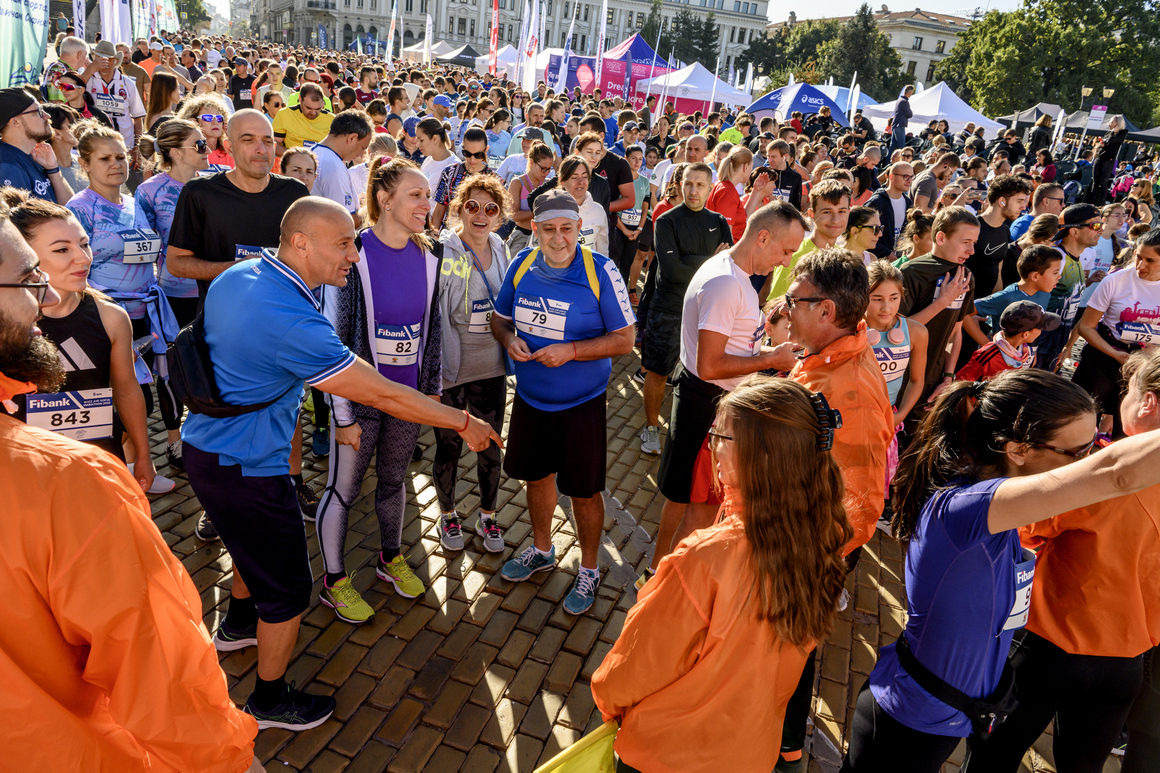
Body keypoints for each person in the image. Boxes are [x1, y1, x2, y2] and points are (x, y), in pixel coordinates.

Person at [182, 196, 499, 725]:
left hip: (211, 448)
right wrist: (464, 422)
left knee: (247, 546)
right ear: (300, 243)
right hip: (247, 466)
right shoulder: (293, 322)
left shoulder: (245, 273)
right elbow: (384, 394)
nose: (354, 255)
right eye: (343, 243)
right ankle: (268, 700)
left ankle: (237, 627)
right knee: (286, 591)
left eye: (353, 241)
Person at [0, 196, 264, 773]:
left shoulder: (109, 316)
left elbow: (127, 390)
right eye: (34, 270)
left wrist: (141, 455)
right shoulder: (48, 476)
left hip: (95, 478)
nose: (52, 282)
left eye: (82, 245)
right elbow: (152, 658)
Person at [842, 368, 1160, 772]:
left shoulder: (1000, 506)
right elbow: (1115, 474)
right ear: (1018, 450)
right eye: (1077, 452)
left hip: (944, 716)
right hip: (911, 717)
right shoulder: (967, 508)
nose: (1086, 461)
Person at [591, 378, 853, 773]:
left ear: (761, 457)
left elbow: (631, 671)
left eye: (720, 436)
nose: (710, 445)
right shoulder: (821, 537)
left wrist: (607, 703)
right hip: (750, 752)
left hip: (667, 755)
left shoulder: (706, 559)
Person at [311, 159, 448, 623]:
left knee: (393, 482)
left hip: (406, 399)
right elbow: (333, 338)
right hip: (361, 403)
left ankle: (390, 559)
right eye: (416, 195)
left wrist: (431, 397)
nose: (426, 204)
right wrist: (343, 415)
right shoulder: (353, 253)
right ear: (385, 199)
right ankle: (334, 580)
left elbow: (431, 333)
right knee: (343, 491)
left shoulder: (432, 255)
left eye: (427, 196)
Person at [644, 203, 809, 582]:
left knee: (684, 494)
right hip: (706, 401)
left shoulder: (735, 273)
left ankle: (658, 572)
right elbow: (711, 365)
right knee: (694, 501)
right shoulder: (725, 284)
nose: (785, 263)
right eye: (785, 251)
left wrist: (768, 346)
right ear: (763, 237)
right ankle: (664, 578)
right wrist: (770, 360)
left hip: (707, 399)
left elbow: (733, 346)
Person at [167, 110, 313, 534]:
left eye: (267, 140)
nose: (261, 148)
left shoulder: (293, 193)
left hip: (283, 326)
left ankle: (292, 480)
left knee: (289, 410)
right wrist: (239, 269)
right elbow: (177, 262)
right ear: (227, 146)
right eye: (248, 140)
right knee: (222, 414)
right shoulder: (201, 194)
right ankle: (219, 504)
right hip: (222, 331)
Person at [491, 189, 636, 615]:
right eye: (549, 229)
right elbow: (500, 319)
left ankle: (588, 567)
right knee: (537, 479)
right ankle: (541, 549)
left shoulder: (600, 271)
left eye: (567, 229)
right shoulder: (521, 265)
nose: (558, 239)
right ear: (534, 229)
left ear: (579, 228)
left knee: (584, 491)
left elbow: (625, 340)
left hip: (582, 403)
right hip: (532, 399)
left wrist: (571, 351)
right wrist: (509, 338)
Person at [433, 173, 512, 554]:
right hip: (451, 371)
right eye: (473, 206)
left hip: (491, 368)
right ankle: (447, 514)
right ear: (460, 209)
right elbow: (435, 310)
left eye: (490, 208)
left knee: (491, 447)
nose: (481, 215)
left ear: (500, 216)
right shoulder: (444, 251)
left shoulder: (500, 247)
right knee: (448, 447)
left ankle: (488, 515)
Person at [638, 162, 733, 456]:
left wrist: (690, 259)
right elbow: (671, 270)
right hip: (668, 309)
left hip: (706, 312)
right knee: (658, 371)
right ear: (679, 184)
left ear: (709, 188)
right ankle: (651, 427)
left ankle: (695, 429)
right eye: (688, 184)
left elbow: (728, 265)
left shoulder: (719, 222)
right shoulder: (666, 221)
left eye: (700, 185)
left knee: (700, 374)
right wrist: (709, 259)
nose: (693, 190)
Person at [134, 118, 209, 468]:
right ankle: (175, 441)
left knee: (209, 363)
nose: (207, 148)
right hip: (172, 293)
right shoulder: (149, 191)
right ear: (177, 152)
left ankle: (207, 430)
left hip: (212, 288)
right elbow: (145, 246)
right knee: (172, 367)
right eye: (200, 144)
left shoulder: (214, 183)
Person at [1071, 229, 1160, 438]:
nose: (1140, 265)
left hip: (1143, 366)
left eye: (1150, 260)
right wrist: (1115, 354)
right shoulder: (1116, 280)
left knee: (1127, 432)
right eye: (1138, 256)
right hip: (1104, 357)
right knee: (1080, 419)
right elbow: (1086, 326)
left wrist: (1150, 357)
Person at [898, 206, 978, 423]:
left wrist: (948, 376)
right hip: (900, 379)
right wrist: (942, 302)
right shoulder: (910, 272)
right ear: (941, 237)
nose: (971, 251)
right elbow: (897, 330)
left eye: (974, 243)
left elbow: (955, 332)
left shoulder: (966, 276)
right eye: (965, 242)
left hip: (935, 380)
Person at [865, 259, 927, 432]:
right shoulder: (849, 329)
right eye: (877, 299)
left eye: (894, 298)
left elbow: (917, 380)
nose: (886, 307)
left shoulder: (916, 332)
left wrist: (900, 415)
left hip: (887, 418)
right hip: (851, 416)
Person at [1038, 204, 1102, 371]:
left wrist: (1066, 346)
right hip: (1038, 345)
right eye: (1095, 225)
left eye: (1102, 225)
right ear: (1074, 231)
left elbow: (1071, 306)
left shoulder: (1077, 261)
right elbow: (1030, 299)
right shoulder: (1057, 259)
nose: (1101, 230)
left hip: (1055, 345)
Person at [767, 179, 852, 301]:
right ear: (811, 214)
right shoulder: (793, 255)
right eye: (827, 212)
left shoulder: (845, 258)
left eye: (842, 211)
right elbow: (774, 307)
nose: (836, 219)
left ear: (849, 212)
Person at [0, 89, 74, 203]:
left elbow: (70, 208)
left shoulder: (34, 156)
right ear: (15, 122)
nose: (47, 116)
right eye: (39, 111)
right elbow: (23, 220)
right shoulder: (8, 166)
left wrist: (53, 170)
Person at [957, 300, 1060, 381]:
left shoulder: (1023, 351)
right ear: (1026, 334)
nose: (1041, 332)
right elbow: (960, 382)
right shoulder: (987, 355)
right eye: (1040, 328)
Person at [311, 110, 374, 225]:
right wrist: (373, 209)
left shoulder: (314, 151)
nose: (361, 155)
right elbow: (345, 221)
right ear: (352, 138)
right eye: (363, 147)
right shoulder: (334, 167)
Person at [86, 40, 146, 153]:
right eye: (101, 59)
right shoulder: (89, 81)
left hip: (125, 146)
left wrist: (137, 147)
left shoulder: (128, 83)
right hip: (97, 147)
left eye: (108, 59)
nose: (105, 63)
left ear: (116, 61)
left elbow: (138, 117)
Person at [431, 127, 493, 231]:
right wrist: (433, 239)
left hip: (479, 237)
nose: (472, 159)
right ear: (462, 148)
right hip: (449, 236)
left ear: (486, 150)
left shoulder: (493, 179)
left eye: (478, 155)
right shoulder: (449, 172)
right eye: (467, 154)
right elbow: (438, 211)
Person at [506, 139, 554, 255]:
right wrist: (539, 210)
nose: (546, 173)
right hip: (521, 238)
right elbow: (514, 215)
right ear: (532, 162)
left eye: (549, 169)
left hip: (542, 238)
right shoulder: (517, 183)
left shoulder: (548, 184)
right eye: (543, 168)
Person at [555, 156, 608, 255]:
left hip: (588, 269)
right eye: (574, 177)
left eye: (584, 176)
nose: (580, 182)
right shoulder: (550, 210)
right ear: (562, 181)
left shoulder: (598, 211)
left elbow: (603, 252)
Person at [866, 162, 914, 261]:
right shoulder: (876, 202)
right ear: (891, 176)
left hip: (898, 260)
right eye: (905, 176)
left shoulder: (909, 203)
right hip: (877, 261)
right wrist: (887, 253)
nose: (909, 180)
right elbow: (864, 233)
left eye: (911, 177)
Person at [272, 83, 333, 156]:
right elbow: (274, 144)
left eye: (318, 109)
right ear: (300, 99)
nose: (313, 113)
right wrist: (295, 156)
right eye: (309, 108)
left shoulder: (332, 119)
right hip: (293, 162)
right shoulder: (284, 114)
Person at [177, 94, 233, 171]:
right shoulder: (188, 152)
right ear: (194, 121)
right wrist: (188, 132)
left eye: (219, 118)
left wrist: (233, 137)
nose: (215, 122)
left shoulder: (231, 151)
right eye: (208, 118)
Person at [1087, 115, 1127, 205]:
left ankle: (1101, 204)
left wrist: (1114, 131)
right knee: (1095, 182)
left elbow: (1113, 140)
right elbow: (1105, 142)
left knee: (1104, 181)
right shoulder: (1108, 133)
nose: (1109, 124)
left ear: (1117, 123)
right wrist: (1102, 145)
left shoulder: (1122, 133)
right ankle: (1091, 203)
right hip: (1100, 157)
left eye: (1111, 122)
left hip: (1109, 159)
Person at [417, 117, 458, 191]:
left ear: (435, 139)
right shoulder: (428, 159)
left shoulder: (454, 166)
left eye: (421, 140)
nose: (417, 144)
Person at [890, 86, 913, 153]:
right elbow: (910, 114)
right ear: (910, 92)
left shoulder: (899, 100)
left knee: (892, 146)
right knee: (901, 147)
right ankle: (900, 162)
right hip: (900, 126)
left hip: (895, 125)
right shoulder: (905, 102)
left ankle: (888, 162)